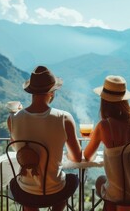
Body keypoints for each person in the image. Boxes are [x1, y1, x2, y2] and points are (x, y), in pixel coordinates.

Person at [7, 65, 82, 211]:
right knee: (72, 180)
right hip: (55, 191)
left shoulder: (13, 119)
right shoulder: (64, 118)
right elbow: (77, 157)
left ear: (31, 92)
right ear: (52, 92)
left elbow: (17, 148)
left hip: (26, 191)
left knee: (25, 188)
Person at [83, 75, 130, 211]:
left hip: (119, 193)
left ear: (104, 101)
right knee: (115, 190)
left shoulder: (104, 126)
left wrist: (95, 138)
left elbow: (87, 156)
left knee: (102, 181)